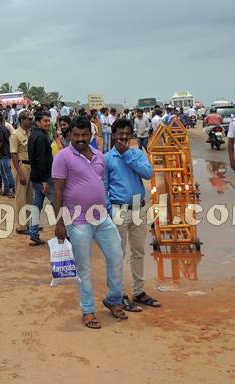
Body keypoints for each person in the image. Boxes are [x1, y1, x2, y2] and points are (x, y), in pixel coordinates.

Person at [52, 116, 124, 329]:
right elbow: (58, 191)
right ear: (70, 135)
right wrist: (60, 222)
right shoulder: (63, 157)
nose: (80, 139)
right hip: (77, 221)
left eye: (84, 135)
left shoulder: (99, 156)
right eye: (76, 135)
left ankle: (113, 299)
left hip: (101, 217)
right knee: (84, 268)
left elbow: (100, 183)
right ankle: (88, 310)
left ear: (91, 135)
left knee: (117, 256)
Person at [104, 118, 161, 311]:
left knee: (138, 252)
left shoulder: (136, 154)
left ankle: (139, 291)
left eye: (126, 133)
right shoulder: (106, 159)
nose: (123, 137)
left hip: (139, 208)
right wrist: (109, 209)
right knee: (117, 255)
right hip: (118, 210)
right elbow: (103, 188)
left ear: (131, 135)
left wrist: (128, 154)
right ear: (113, 135)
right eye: (119, 133)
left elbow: (147, 173)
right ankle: (118, 295)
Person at [27, 112, 55, 246]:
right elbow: (41, 160)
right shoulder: (42, 138)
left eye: (49, 121)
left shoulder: (33, 135)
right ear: (38, 122)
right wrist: (45, 180)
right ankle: (65, 232)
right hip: (44, 178)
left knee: (37, 206)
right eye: (45, 121)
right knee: (57, 204)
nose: (48, 123)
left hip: (35, 176)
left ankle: (33, 232)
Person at [11, 110, 34, 234]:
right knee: (21, 198)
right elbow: (14, 155)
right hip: (23, 166)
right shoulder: (16, 135)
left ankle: (30, 224)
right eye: (29, 119)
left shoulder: (30, 133)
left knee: (30, 197)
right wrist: (20, 174)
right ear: (22, 120)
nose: (31, 121)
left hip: (31, 166)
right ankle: (21, 226)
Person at [0, 113, 15, 197]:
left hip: (4, 152)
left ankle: (11, 188)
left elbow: (1, 140)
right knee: (3, 171)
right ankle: (7, 188)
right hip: (7, 150)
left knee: (6, 171)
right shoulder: (5, 127)